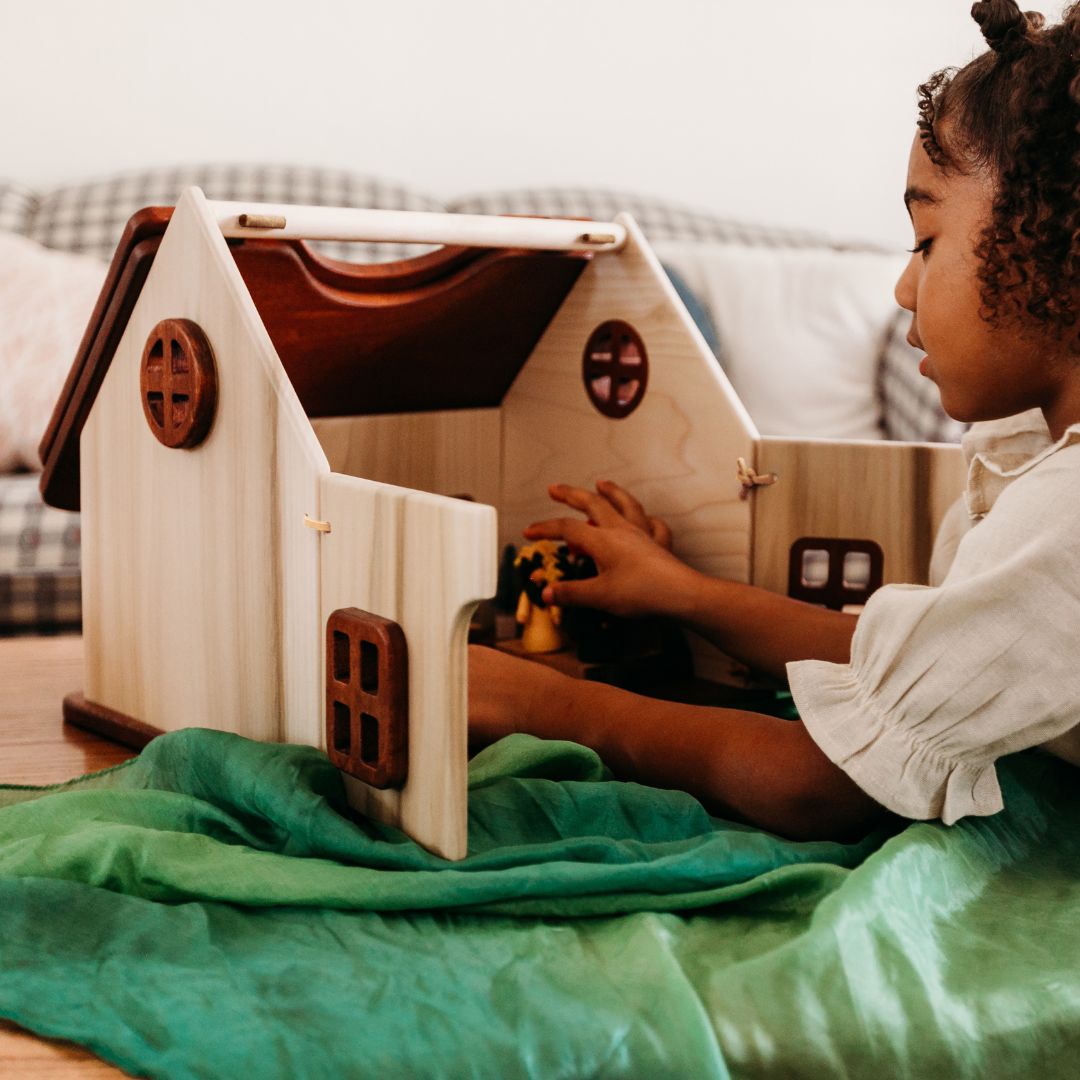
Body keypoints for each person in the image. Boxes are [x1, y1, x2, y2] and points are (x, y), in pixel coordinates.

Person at [468, 0, 1080, 841]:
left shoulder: (1069, 507)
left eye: (926, 239)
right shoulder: (1030, 454)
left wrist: (546, 704)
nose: (903, 288)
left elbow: (816, 785)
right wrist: (682, 593)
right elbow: (904, 662)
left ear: (1053, 246)